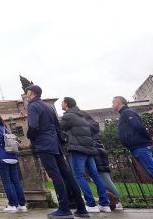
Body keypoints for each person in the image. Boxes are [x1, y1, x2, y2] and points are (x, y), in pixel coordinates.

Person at [25, 85, 89, 219]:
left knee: (55, 175)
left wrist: (29, 136)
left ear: (31, 93)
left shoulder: (32, 106)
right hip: (56, 144)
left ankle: (64, 208)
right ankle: (81, 208)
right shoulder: (48, 106)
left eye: (27, 92)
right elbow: (57, 126)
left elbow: (34, 126)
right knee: (67, 175)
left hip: (44, 144)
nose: (26, 95)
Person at [60, 97, 111, 213]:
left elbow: (58, 128)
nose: (61, 104)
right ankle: (104, 204)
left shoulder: (69, 116)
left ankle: (91, 204)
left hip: (78, 149)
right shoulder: (80, 115)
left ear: (67, 104)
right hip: (88, 149)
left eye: (62, 102)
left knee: (79, 176)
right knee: (95, 175)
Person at [81, 111, 123, 211]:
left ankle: (117, 201)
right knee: (103, 179)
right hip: (98, 152)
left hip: (96, 153)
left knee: (105, 180)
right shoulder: (92, 124)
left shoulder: (89, 125)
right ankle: (113, 201)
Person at [0, 113, 27, 213]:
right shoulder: (6, 128)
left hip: (2, 157)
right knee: (16, 181)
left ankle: (12, 204)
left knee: (7, 181)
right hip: (12, 156)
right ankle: (22, 205)